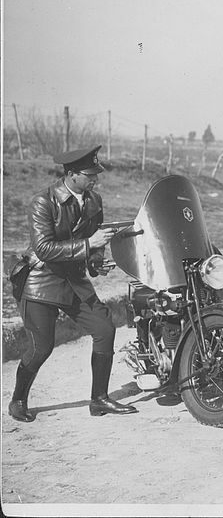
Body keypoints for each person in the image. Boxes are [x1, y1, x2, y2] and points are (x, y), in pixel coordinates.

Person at [8, 146, 138, 422]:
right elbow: (43, 248)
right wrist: (89, 245)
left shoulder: (94, 201)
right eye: (90, 175)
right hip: (41, 281)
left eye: (96, 174)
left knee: (104, 329)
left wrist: (96, 262)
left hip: (74, 280)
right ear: (72, 174)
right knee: (41, 347)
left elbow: (96, 240)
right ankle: (18, 399)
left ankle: (99, 399)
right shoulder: (43, 201)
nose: (95, 179)